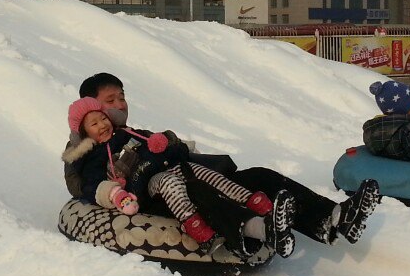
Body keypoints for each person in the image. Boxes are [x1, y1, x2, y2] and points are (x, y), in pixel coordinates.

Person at [64, 73, 382, 248]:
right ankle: (255, 231)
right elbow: (83, 187)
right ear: (91, 109)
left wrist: (169, 143)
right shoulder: (83, 151)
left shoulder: (136, 132)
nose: (120, 104)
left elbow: (177, 149)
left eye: (122, 96)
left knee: (260, 176)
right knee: (201, 193)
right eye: (111, 101)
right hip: (160, 200)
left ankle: (334, 219)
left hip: (187, 176)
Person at [63, 97, 296, 260]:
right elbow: (93, 185)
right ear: (84, 133)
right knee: (169, 182)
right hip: (142, 187)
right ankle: (196, 227)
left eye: (102, 118)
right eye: (93, 123)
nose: (102, 125)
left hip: (166, 166)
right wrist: (117, 194)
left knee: (204, 174)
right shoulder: (92, 156)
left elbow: (159, 143)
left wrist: (162, 141)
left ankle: (258, 204)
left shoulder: (127, 133)